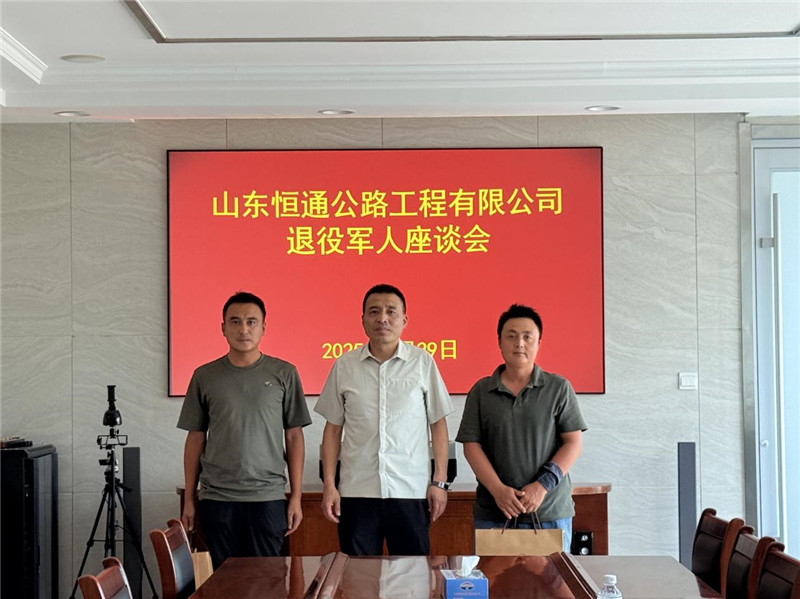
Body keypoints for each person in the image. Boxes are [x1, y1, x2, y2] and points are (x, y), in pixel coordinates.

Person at [315, 283, 454, 556]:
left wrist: (439, 483)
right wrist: (329, 486)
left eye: (391, 311)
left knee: (412, 574)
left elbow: (437, 425)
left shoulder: (422, 362)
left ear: (404, 320)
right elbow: (332, 431)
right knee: (358, 575)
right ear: (363, 320)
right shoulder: (345, 366)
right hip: (357, 491)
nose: (383, 318)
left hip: (410, 490)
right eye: (374, 311)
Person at [177, 291, 311, 567]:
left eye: (251, 322)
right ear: (223, 328)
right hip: (217, 499)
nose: (243, 329)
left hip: (268, 498)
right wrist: (190, 499)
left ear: (264, 327)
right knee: (223, 580)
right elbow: (195, 439)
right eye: (235, 321)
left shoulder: (285, 373)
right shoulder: (204, 376)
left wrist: (296, 497)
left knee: (266, 579)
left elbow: (294, 436)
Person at [456, 304, 586, 552]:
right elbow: (471, 446)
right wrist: (498, 491)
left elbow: (573, 443)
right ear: (499, 342)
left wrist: (542, 486)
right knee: (493, 578)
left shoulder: (558, 388)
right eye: (511, 336)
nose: (519, 344)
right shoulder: (481, 391)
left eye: (528, 337)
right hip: (494, 513)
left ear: (539, 342)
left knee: (553, 578)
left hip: (549, 512)